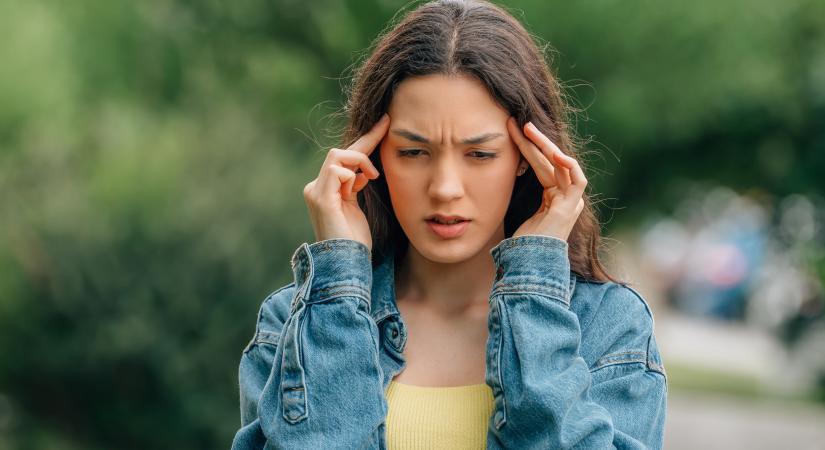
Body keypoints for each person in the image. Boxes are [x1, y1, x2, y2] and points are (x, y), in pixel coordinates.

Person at [231, 0, 667, 448]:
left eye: (480, 154)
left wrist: (533, 291)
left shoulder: (608, 325)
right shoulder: (299, 323)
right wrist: (339, 283)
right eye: (414, 152)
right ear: (372, 155)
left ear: (528, 160)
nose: (444, 188)